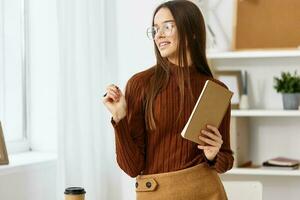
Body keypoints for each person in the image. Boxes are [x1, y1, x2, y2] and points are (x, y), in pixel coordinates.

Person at [103, 1, 233, 199]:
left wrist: (213, 154)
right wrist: (120, 118)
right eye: (155, 29)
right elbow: (132, 167)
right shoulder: (140, 84)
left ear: (192, 32)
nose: (159, 35)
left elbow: (226, 161)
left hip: (205, 191)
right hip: (156, 193)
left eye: (167, 26)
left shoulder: (215, 90)